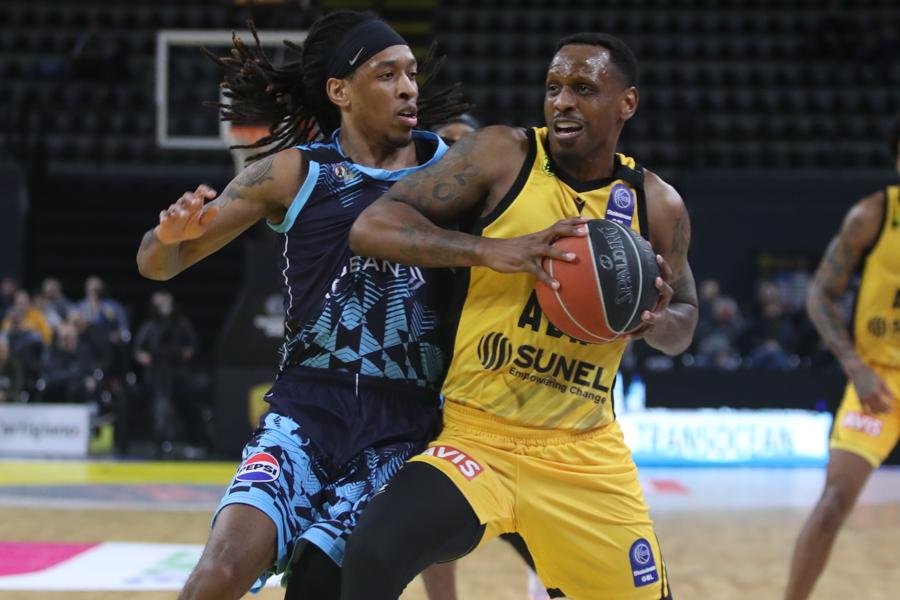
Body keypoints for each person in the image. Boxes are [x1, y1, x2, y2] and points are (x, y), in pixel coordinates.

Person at [344, 32, 697, 599]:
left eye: (583, 89)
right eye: (554, 87)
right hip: (478, 437)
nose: (563, 101)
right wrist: (491, 250)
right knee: (371, 554)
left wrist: (656, 320)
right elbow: (371, 226)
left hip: (583, 453)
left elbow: (685, 319)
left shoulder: (657, 204)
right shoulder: (502, 154)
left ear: (626, 103)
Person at [135, 10, 469, 600]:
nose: (408, 88)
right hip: (304, 410)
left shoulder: (456, 170)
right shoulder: (294, 173)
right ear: (340, 91)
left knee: (320, 581)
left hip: (402, 425)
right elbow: (156, 265)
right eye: (387, 74)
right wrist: (168, 237)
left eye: (411, 74)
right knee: (216, 574)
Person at [784, 117, 900, 600]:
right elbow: (820, 296)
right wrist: (855, 366)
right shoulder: (873, 214)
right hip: (878, 380)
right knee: (833, 503)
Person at [134, 291, 202, 457]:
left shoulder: (182, 324)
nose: (163, 307)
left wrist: (185, 353)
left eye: (166, 302)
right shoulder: (149, 326)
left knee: (186, 406)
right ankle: (161, 444)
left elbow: (192, 346)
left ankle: (193, 442)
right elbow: (138, 350)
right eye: (159, 303)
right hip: (157, 374)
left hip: (178, 372)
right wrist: (145, 357)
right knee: (160, 408)